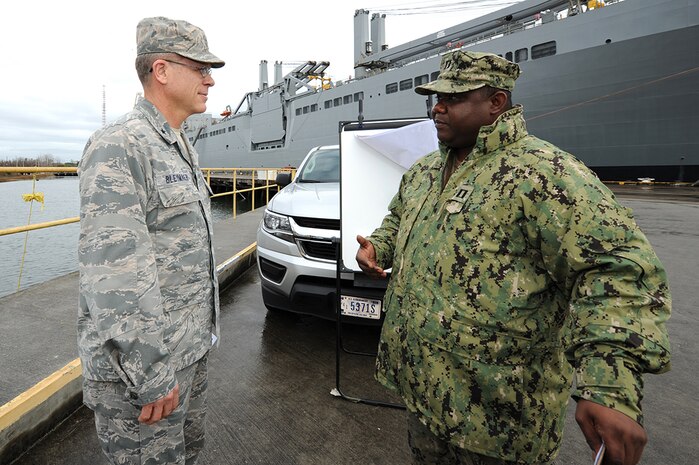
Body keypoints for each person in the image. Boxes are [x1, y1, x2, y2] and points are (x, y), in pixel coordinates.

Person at [355, 50, 671, 465]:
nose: (438, 106)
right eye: (436, 97)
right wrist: (379, 245)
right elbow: (398, 218)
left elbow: (616, 271)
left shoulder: (544, 173)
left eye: (453, 97)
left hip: (500, 421)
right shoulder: (425, 171)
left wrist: (609, 388)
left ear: (496, 102)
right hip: (425, 397)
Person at [77, 16, 224, 465]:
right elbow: (115, 277)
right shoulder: (118, 146)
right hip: (143, 378)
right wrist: (152, 374)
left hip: (187, 353)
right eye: (199, 67)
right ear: (161, 71)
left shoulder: (178, 144)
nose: (210, 79)